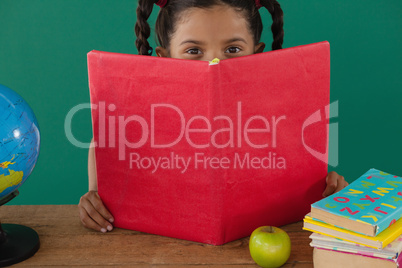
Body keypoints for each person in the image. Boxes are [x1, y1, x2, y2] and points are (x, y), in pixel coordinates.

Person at [78, 0, 348, 233]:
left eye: (232, 49)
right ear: (165, 57)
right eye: (194, 51)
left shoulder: (282, 112)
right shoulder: (148, 110)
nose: (214, 64)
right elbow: (104, 142)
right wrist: (94, 194)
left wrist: (330, 191)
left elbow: (303, 165)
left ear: (257, 52)